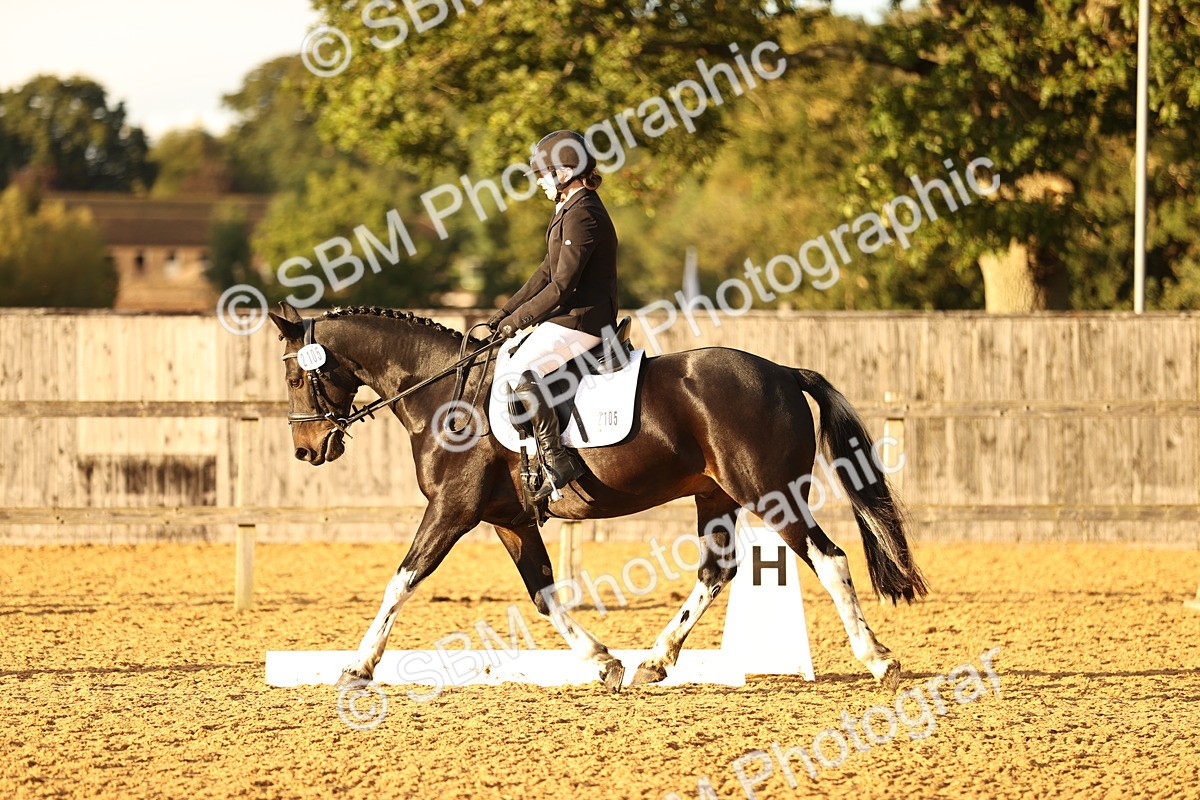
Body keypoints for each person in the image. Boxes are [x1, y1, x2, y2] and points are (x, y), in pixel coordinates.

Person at [487, 130, 619, 500]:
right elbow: (544, 272)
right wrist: (504, 314)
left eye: (544, 174)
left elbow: (562, 286)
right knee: (510, 359)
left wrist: (519, 322)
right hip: (569, 316)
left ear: (564, 172)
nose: (540, 182)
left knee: (521, 371)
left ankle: (556, 459)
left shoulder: (585, 214)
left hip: (585, 319)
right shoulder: (568, 210)